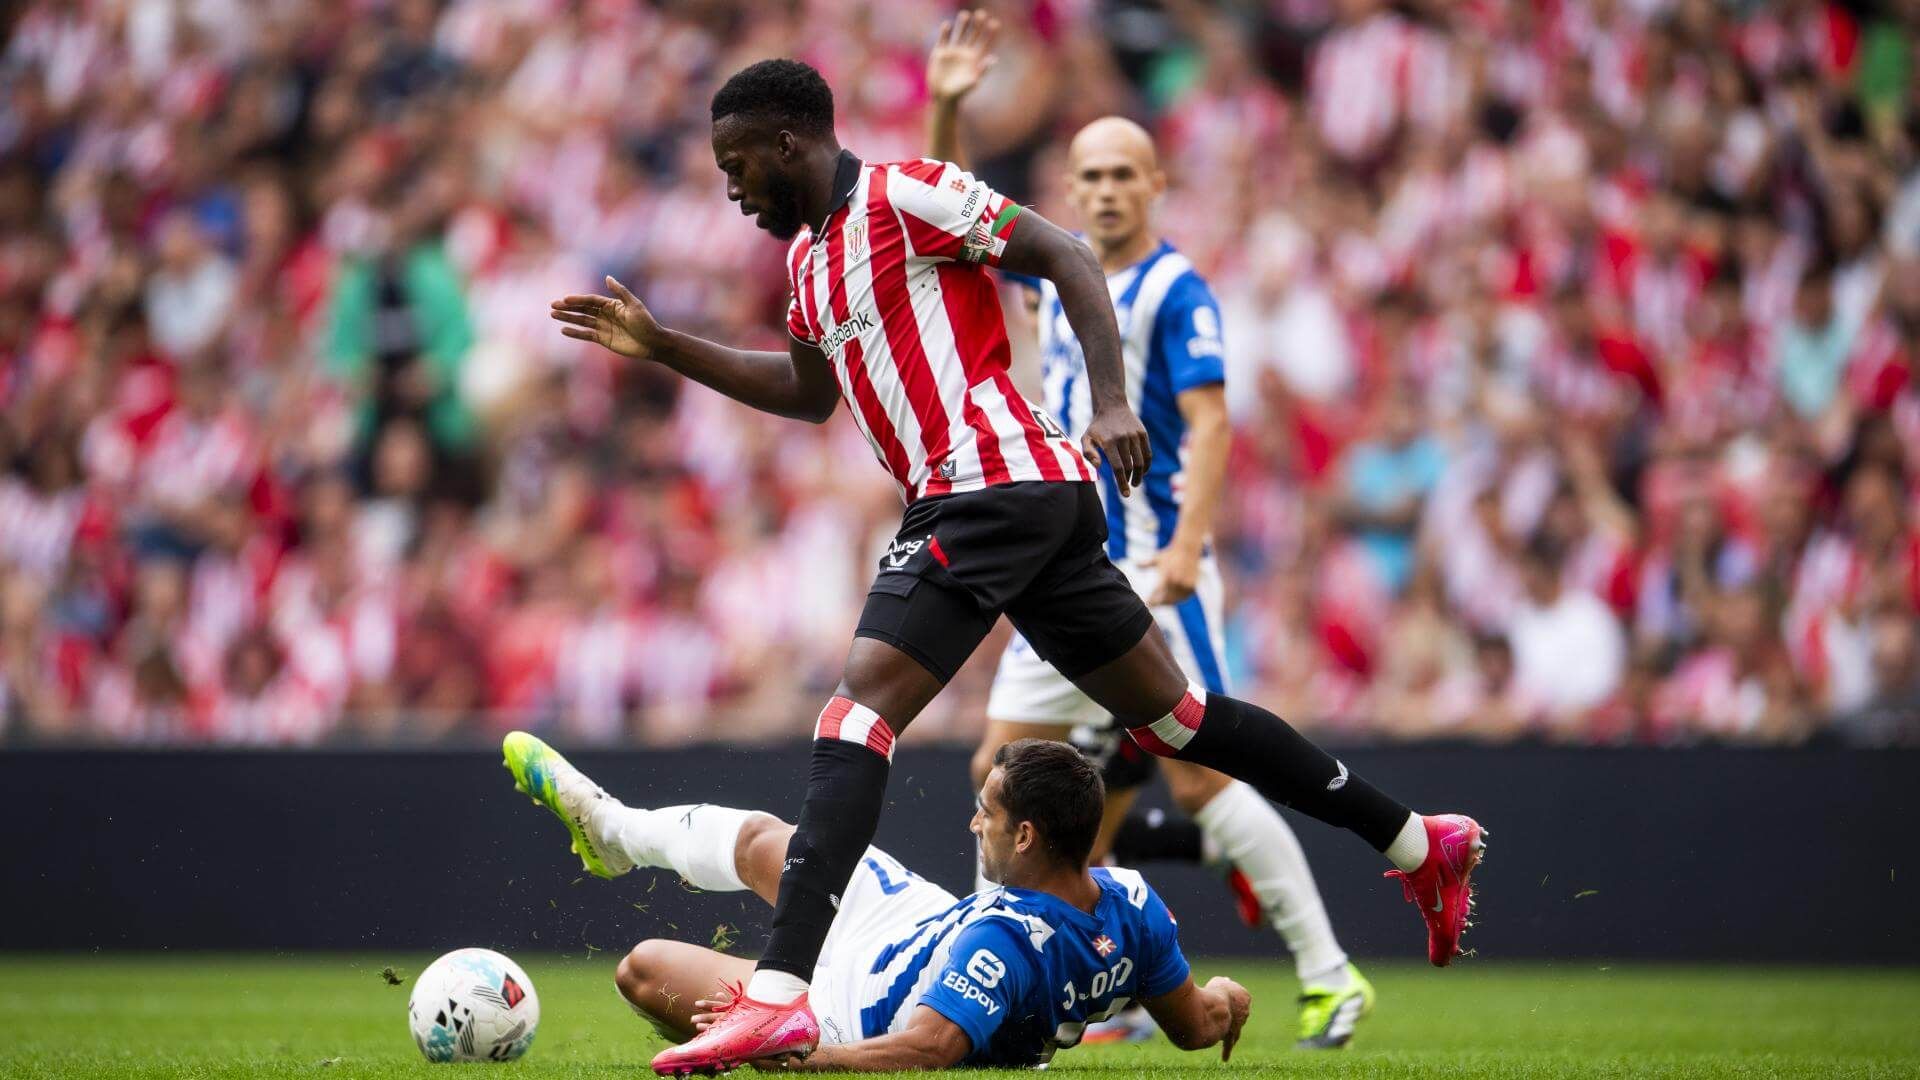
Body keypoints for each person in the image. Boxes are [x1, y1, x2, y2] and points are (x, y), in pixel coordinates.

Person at [550, 57, 1483, 1074]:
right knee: (1176, 721)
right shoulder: (810, 266)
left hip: (988, 483)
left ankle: (777, 993)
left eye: (737, 165)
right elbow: (810, 394)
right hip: (1014, 500)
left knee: (856, 717)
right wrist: (666, 347)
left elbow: (1065, 253)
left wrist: (1112, 402)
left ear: (787, 142)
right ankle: (1417, 841)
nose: (732, 189)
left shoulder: (906, 193)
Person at [925, 12, 1373, 1050]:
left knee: (1201, 775)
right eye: (1091, 176)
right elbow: (951, 215)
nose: (1107, 190)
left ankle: (1331, 977)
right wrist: (947, 107)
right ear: (1071, 188)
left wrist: (1184, 547)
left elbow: (1212, 423)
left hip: (1154, 566)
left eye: (1125, 174)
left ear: (1156, 184)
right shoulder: (1058, 270)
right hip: (1069, 568)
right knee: (1000, 770)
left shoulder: (1177, 290)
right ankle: (1016, 993)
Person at [500, 731, 1253, 1071]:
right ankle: (613, 830)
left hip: (860, 1011)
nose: (973, 825)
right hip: (921, 924)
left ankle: (769, 1006)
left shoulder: (1005, 942)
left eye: (986, 814)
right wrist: (1228, 997)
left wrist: (801, 1059)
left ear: (1026, 836)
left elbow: (926, 1050)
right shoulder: (1133, 902)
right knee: (778, 843)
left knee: (641, 967)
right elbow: (1197, 1026)